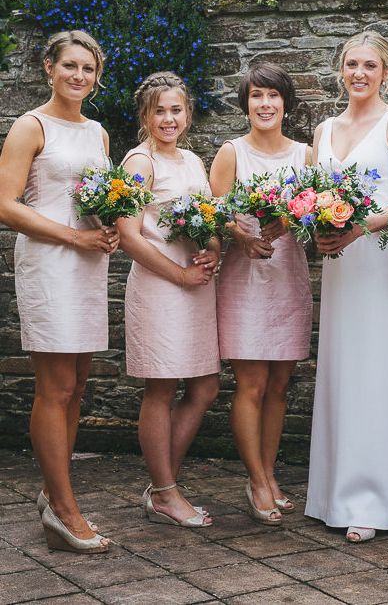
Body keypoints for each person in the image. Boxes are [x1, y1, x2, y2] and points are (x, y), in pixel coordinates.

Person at [0, 30, 116, 553]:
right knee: (57, 386)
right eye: (70, 66)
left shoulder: (97, 132)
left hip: (89, 263)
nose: (78, 77)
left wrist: (110, 226)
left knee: (78, 385)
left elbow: (102, 197)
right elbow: (6, 205)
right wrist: (74, 235)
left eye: (88, 69)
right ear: (49, 67)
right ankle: (66, 511)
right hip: (49, 262)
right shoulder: (30, 127)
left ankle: (53, 494)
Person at [304, 31, 388, 543]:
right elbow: (306, 198)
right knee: (342, 369)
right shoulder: (323, 129)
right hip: (339, 266)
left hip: (379, 262)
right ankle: (332, 493)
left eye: (370, 66)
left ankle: (376, 498)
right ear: (340, 69)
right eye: (352, 64)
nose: (359, 73)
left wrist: (356, 227)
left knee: (379, 372)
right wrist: (319, 228)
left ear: (385, 73)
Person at [210, 63, 313, 525]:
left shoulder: (305, 156)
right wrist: (240, 235)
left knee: (278, 386)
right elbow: (213, 213)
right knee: (250, 384)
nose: (265, 104)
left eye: (272, 96)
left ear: (285, 102)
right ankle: (255, 479)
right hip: (245, 279)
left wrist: (292, 219)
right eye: (256, 96)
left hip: (289, 277)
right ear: (246, 103)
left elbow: (315, 213)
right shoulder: (232, 152)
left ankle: (270, 473)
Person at [117, 72, 220, 527]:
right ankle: (165, 491)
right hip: (161, 287)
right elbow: (128, 235)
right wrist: (179, 272)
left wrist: (212, 249)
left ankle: (163, 485)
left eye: (176, 109)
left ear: (187, 113)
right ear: (145, 115)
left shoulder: (195, 161)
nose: (168, 118)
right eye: (159, 110)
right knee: (161, 387)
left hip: (196, 288)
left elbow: (210, 221)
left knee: (205, 386)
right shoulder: (140, 163)